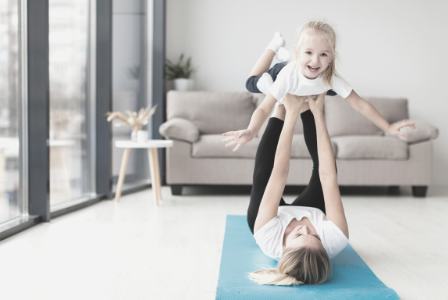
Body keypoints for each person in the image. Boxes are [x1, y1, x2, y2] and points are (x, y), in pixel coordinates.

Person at [222, 21, 416, 152]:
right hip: (280, 72)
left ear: (331, 56)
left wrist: (388, 127)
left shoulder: (329, 78)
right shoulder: (287, 76)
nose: (316, 61)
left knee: (328, 89)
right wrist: (251, 130)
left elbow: (360, 104)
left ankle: (286, 55)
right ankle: (275, 47)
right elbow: (265, 107)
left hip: (309, 83)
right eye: (309, 52)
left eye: (323, 54)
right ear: (298, 53)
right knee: (251, 83)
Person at [247, 92, 348, 286]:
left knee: (263, 177)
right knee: (325, 171)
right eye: (316, 235)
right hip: (312, 210)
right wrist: (317, 113)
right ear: (324, 246)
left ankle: (280, 107)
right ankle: (307, 105)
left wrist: (289, 114)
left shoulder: (268, 238)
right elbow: (328, 176)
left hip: (271, 218)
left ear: (284, 248)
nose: (306, 228)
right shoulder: (336, 239)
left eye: (299, 235)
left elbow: (279, 174)